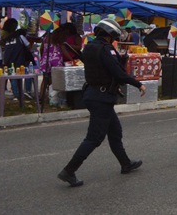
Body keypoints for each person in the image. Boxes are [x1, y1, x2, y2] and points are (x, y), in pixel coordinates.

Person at [57, 18, 146, 187]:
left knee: (115, 132)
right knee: (94, 138)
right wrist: (138, 84)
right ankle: (69, 171)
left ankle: (125, 163)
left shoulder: (89, 47)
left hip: (95, 94)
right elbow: (118, 73)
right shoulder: (106, 50)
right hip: (101, 98)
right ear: (110, 34)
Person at [2, 18, 34, 100]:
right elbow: (28, 47)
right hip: (20, 59)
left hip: (9, 60)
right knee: (26, 74)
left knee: (13, 76)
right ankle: (27, 91)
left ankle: (16, 95)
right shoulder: (20, 37)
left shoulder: (7, 38)